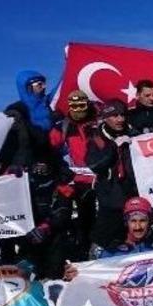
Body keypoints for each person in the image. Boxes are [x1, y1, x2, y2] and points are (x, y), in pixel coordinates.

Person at [49, 90, 99, 256]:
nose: (78, 110)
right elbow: (49, 151)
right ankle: (71, 253)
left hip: (95, 180)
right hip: (71, 181)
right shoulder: (62, 127)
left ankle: (90, 252)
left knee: (91, 219)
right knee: (64, 218)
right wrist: (60, 175)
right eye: (74, 106)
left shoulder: (96, 123)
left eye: (81, 105)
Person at [86, 99, 138, 249]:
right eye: (115, 116)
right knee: (106, 236)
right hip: (110, 195)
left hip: (133, 192)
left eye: (122, 115)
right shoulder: (97, 139)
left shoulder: (134, 133)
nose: (120, 119)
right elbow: (95, 165)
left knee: (134, 235)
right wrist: (114, 147)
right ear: (106, 117)